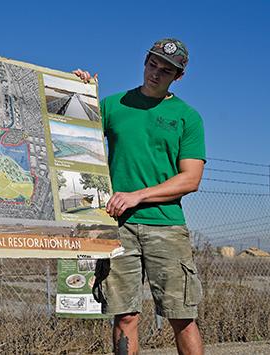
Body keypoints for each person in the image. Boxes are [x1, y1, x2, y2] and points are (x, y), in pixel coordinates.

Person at [75, 38, 206, 355]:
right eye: (153, 64)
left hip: (166, 227)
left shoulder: (187, 117)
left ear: (178, 76)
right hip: (118, 227)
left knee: (182, 317)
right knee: (125, 316)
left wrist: (137, 196)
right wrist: (80, 92)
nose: (156, 73)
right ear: (145, 61)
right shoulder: (113, 105)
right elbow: (73, 132)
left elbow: (191, 178)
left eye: (166, 70)